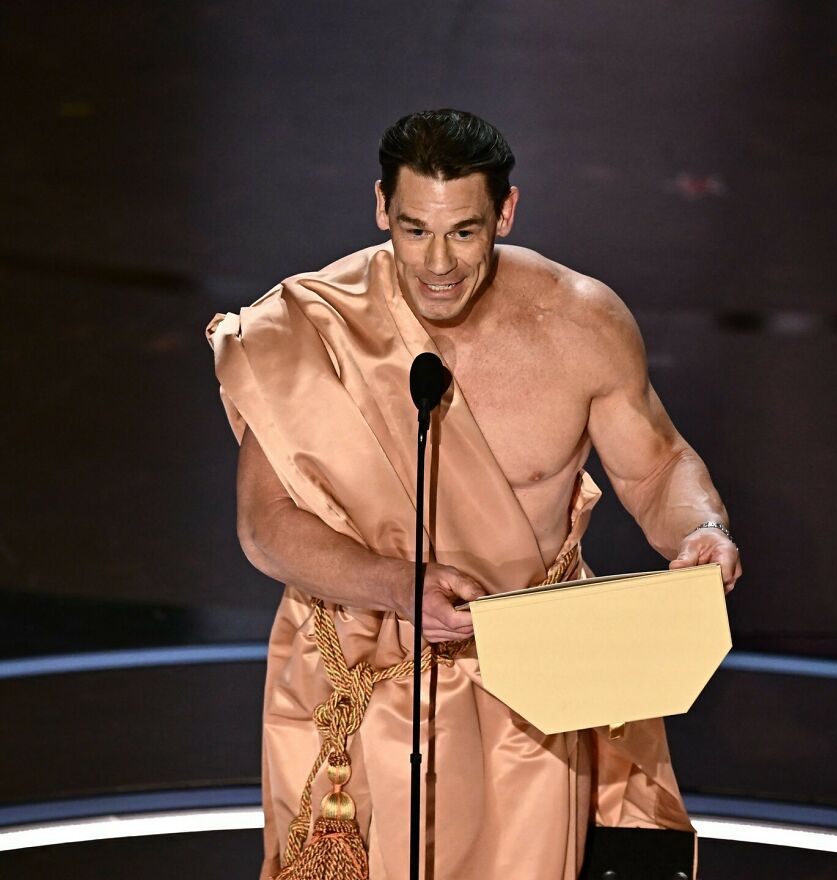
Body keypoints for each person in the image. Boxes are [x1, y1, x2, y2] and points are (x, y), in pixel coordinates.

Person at [207, 108, 741, 880]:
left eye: (464, 232)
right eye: (415, 229)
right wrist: (396, 585)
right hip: (362, 675)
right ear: (381, 208)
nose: (437, 264)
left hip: (537, 684)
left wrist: (700, 528)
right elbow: (266, 525)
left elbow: (656, 468)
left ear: (506, 213)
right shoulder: (310, 334)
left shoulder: (579, 322)